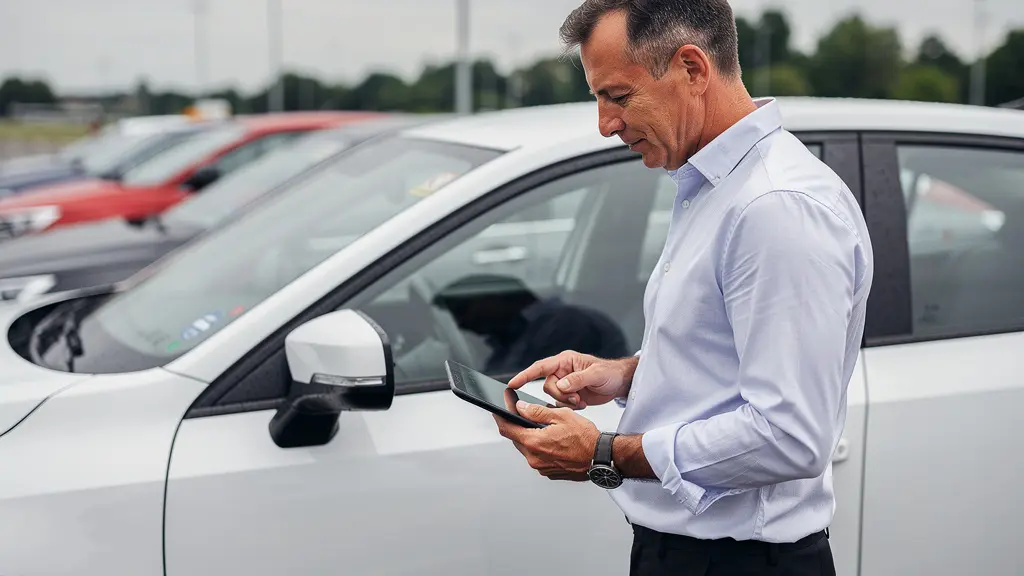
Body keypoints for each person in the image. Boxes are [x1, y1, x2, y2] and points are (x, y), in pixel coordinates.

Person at [490, 1, 874, 575]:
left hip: (739, 563)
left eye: (618, 96)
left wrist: (603, 452)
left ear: (693, 69)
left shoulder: (774, 207)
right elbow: (730, 355)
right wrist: (626, 374)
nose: (605, 124)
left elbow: (789, 435)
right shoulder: (717, 184)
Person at [431, 273, 628, 375]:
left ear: (497, 298)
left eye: (462, 310)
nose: (462, 323)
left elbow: (532, 390)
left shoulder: (566, 325)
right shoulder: (512, 336)